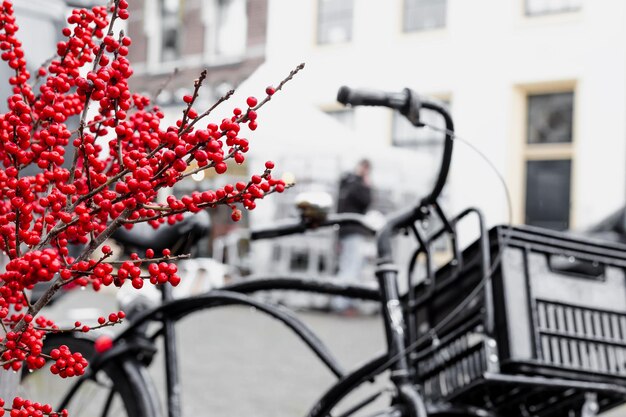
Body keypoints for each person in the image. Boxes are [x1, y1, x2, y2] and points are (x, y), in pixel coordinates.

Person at [332, 159, 372, 314]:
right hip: (354, 230)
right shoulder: (358, 186)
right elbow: (366, 202)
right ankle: (341, 303)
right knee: (351, 268)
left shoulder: (345, 183)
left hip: (344, 230)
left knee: (346, 266)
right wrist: (367, 185)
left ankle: (342, 302)